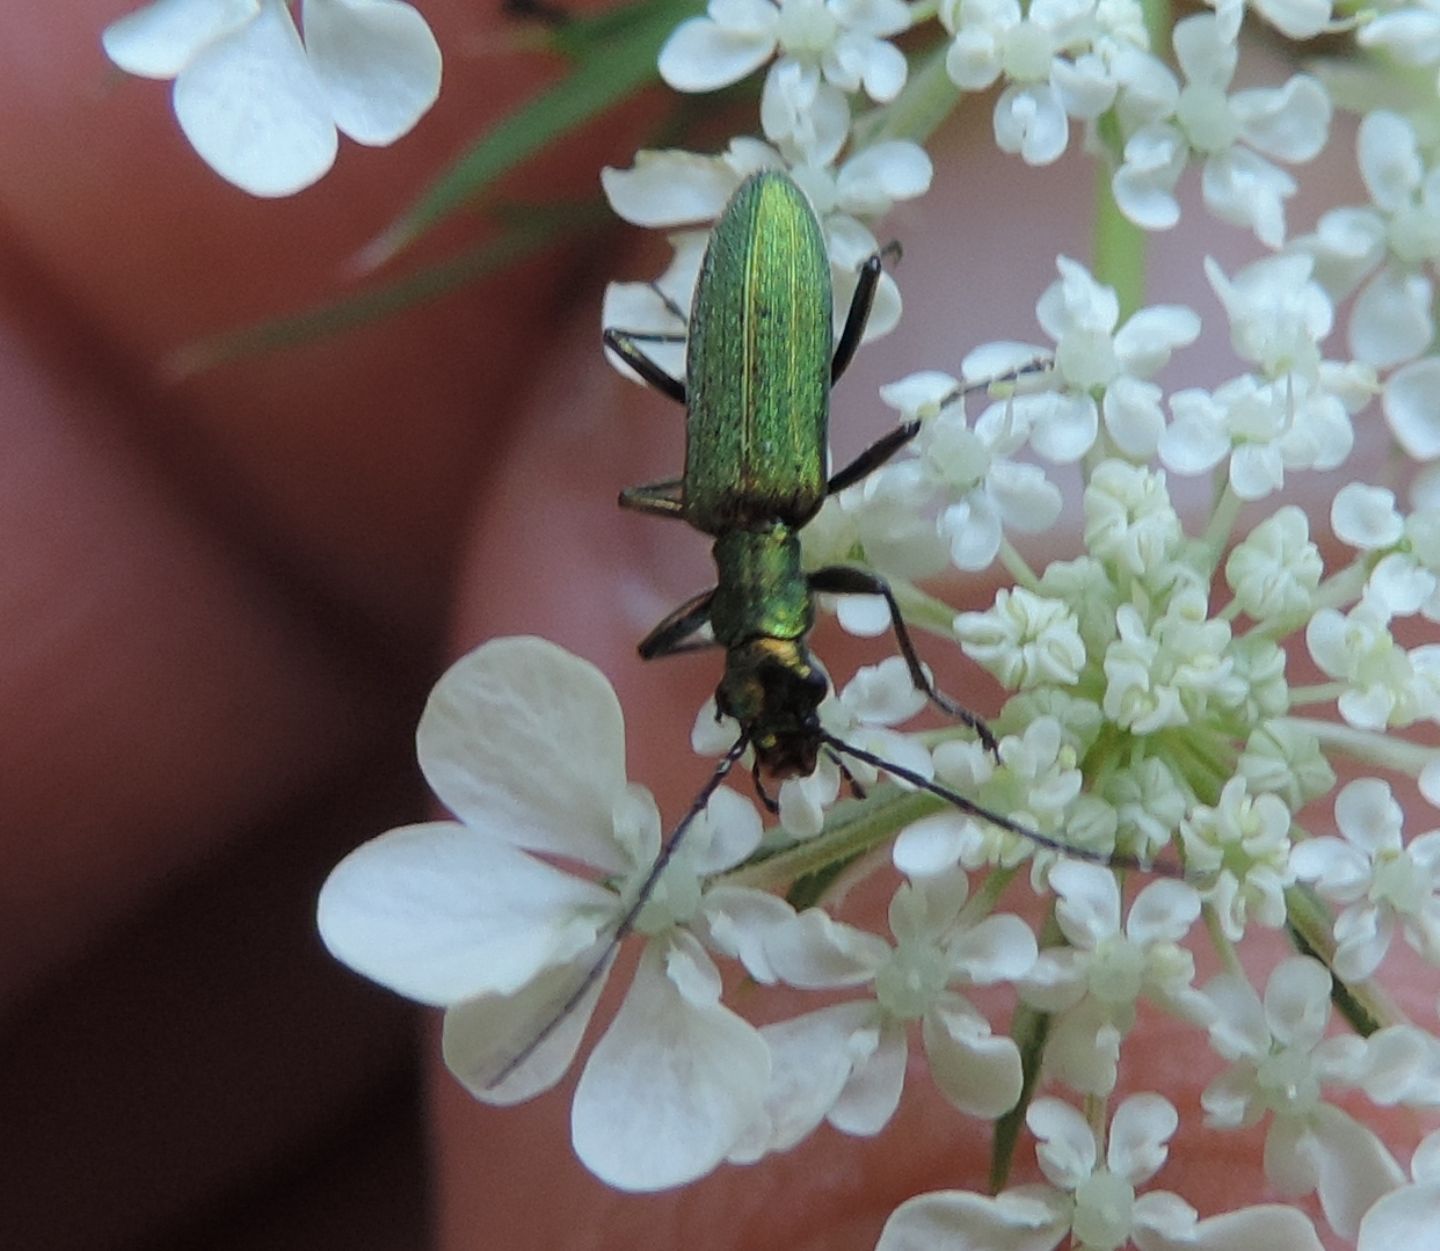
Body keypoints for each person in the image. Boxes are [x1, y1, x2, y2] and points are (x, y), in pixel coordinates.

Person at [2, 1, 1425, 1246]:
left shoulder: (766, 531)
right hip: (783, 268)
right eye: (784, 681)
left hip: (776, 264)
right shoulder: (773, 529)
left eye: (765, 681)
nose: (775, 687)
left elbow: (857, 604)